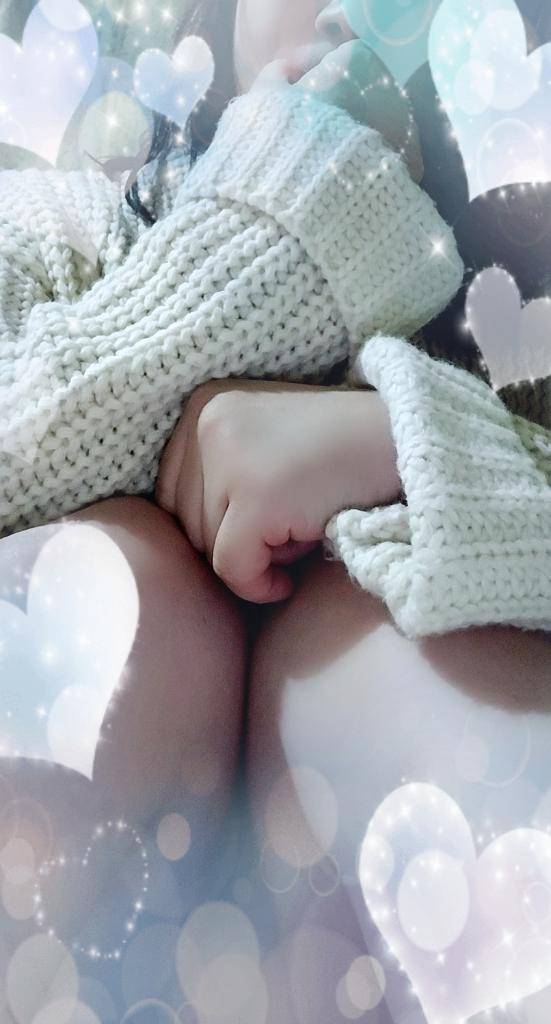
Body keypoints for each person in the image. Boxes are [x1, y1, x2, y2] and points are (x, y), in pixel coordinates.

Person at [0, 1, 550, 1019]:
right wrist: (271, 236)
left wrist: (407, 444)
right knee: (97, 603)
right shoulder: (64, 217)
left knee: (400, 669)